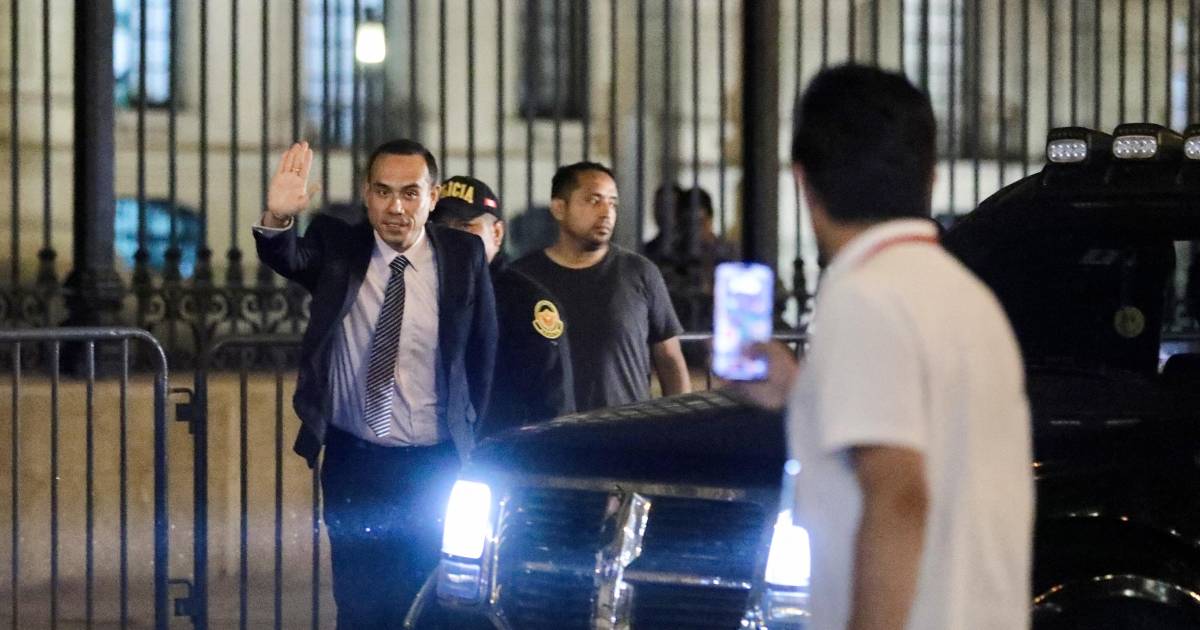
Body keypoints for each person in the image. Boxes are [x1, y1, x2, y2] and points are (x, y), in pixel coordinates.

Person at [737, 64, 1032, 630]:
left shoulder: (864, 297)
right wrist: (802, 392)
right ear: (931, 177)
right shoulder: (966, 296)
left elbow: (897, 496)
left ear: (803, 183)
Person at [253, 139, 497, 628]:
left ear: (432, 198)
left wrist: (477, 443)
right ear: (366, 194)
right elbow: (288, 257)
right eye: (383, 192)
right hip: (356, 463)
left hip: (437, 465)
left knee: (437, 603)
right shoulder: (339, 247)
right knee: (362, 603)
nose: (396, 208)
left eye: (410, 193)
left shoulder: (463, 254)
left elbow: (483, 352)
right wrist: (278, 216)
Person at [513, 161, 691, 411]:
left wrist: (681, 419)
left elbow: (669, 358)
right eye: (593, 200)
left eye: (612, 203)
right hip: (548, 430)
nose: (606, 212)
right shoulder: (522, 278)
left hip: (625, 428)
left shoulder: (639, 273)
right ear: (559, 208)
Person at [430, 174, 575, 434]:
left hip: (505, 450)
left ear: (496, 233)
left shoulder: (528, 302)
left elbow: (553, 405)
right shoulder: (421, 292)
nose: (451, 237)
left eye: (465, 226)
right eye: (441, 227)